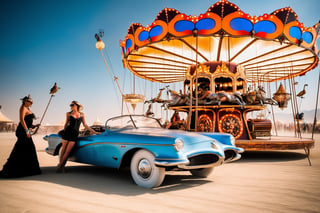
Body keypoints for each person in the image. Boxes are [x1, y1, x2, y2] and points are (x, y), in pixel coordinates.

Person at [0, 95, 41, 178]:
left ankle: (27, 169)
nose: (31, 103)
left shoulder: (28, 109)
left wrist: (34, 125)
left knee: (26, 148)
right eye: (30, 101)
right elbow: (22, 120)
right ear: (25, 101)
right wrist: (26, 131)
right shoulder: (22, 108)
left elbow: (27, 121)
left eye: (32, 102)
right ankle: (13, 170)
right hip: (22, 131)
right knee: (23, 148)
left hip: (26, 130)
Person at [57, 101, 97, 173]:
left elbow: (85, 124)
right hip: (67, 133)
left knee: (68, 151)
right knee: (63, 150)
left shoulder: (82, 114)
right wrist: (64, 132)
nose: (71, 106)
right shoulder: (68, 114)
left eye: (72, 105)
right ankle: (62, 167)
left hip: (75, 134)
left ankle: (60, 165)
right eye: (70, 105)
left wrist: (94, 131)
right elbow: (66, 124)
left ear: (77, 106)